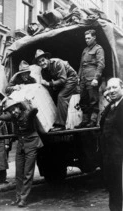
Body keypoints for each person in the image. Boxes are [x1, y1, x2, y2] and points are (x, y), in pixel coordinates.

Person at [0, 97, 43, 207]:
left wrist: (25, 103)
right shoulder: (12, 116)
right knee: (19, 173)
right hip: (21, 145)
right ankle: (18, 198)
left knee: (28, 172)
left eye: (14, 109)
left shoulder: (28, 114)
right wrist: (1, 104)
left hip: (31, 143)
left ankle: (24, 198)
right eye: (11, 110)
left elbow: (35, 109)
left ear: (19, 108)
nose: (13, 112)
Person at [34, 49, 78, 131]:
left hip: (71, 79)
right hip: (61, 82)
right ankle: (55, 121)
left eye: (43, 60)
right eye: (39, 62)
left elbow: (63, 79)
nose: (42, 63)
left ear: (47, 58)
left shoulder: (57, 63)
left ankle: (61, 125)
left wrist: (49, 84)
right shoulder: (44, 70)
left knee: (61, 96)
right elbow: (49, 82)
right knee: (53, 95)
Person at [100, 78, 123, 211]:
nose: (111, 91)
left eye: (114, 87)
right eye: (109, 88)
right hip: (111, 159)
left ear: (122, 87)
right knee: (114, 192)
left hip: (121, 159)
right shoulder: (111, 106)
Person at [75, 29, 105, 128]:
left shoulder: (98, 49)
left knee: (93, 100)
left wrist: (96, 78)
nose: (87, 40)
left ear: (94, 37)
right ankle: (85, 120)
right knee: (83, 100)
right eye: (85, 38)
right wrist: (79, 77)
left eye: (89, 38)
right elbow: (81, 65)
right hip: (83, 78)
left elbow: (101, 65)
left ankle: (92, 120)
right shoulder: (85, 50)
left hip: (92, 78)